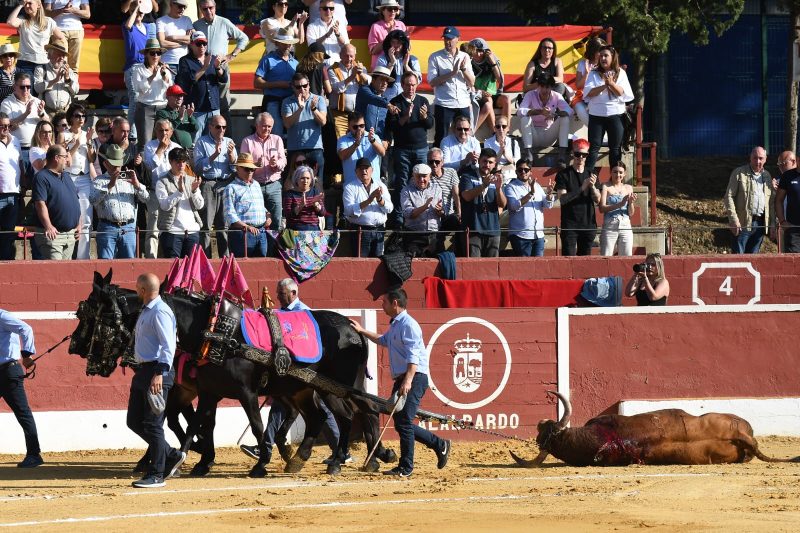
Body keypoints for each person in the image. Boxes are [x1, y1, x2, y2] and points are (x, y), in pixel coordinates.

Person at [349, 288, 451, 478]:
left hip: (414, 377)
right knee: (401, 422)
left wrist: (408, 381)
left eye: (385, 302)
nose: (382, 305)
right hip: (404, 378)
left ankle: (406, 466)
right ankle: (439, 444)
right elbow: (383, 340)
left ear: (395, 303)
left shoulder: (409, 325)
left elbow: (414, 356)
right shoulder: (397, 324)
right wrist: (362, 331)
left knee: (404, 422)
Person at [128, 272, 186, 488]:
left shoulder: (160, 311)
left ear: (143, 290)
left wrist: (160, 373)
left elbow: (169, 345)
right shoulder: (147, 310)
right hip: (143, 371)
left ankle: (157, 474)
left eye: (137, 287)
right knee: (134, 421)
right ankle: (171, 454)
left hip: (156, 371)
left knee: (153, 424)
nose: (135, 290)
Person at [386, 70, 432, 227]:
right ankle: (400, 218)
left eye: (413, 85)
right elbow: (392, 127)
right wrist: (405, 116)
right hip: (402, 149)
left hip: (421, 148)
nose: (411, 88)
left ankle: (421, 215)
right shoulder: (395, 102)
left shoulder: (423, 100)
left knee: (422, 182)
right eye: (408, 85)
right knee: (402, 183)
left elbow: (430, 124)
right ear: (402, 85)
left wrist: (425, 117)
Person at [90, 144, 149, 259]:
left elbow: (146, 198)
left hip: (128, 227)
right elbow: (92, 200)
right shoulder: (99, 181)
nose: (117, 168)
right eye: (114, 165)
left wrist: (137, 185)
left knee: (129, 264)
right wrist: (109, 185)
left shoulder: (130, 180)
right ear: (105, 164)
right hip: (107, 227)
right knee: (105, 264)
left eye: (118, 164)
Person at [0, 309, 43, 468]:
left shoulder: (2, 316)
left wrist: (26, 355)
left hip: (9, 371)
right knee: (23, 413)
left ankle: (34, 455)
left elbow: (26, 328)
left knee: (22, 412)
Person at [193, 0, 249, 120]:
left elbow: (244, 38)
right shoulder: (196, 25)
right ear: (200, 9)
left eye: (210, 8)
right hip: (202, 67)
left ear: (215, 7)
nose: (208, 11)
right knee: (203, 103)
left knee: (223, 104)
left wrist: (232, 55)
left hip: (220, 67)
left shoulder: (224, 22)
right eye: (205, 9)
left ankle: (226, 133)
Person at [583, 44, 634, 174]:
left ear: (613, 57)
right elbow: (589, 93)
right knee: (593, 148)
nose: (603, 58)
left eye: (606, 56)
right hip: (596, 116)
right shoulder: (593, 73)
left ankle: (615, 180)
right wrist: (604, 86)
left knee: (615, 149)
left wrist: (611, 83)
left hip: (616, 115)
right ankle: (586, 179)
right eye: (601, 56)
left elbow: (622, 93)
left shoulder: (620, 73)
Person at [194, 114, 236, 258]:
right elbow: (198, 168)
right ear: (210, 127)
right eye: (218, 127)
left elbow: (235, 168)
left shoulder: (229, 142)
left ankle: (225, 259)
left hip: (225, 184)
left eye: (224, 127)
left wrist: (231, 158)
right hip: (208, 184)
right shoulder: (202, 142)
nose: (221, 130)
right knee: (206, 225)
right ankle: (205, 260)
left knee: (224, 225)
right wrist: (214, 155)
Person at [174, 31, 226, 141]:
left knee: (214, 140)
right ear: (191, 45)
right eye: (198, 44)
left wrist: (218, 67)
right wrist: (204, 67)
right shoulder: (185, 61)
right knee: (195, 141)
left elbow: (223, 79)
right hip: (197, 109)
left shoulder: (212, 58)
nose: (202, 46)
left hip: (213, 108)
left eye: (204, 43)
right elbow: (187, 81)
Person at [428, 26, 474, 148]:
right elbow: (432, 82)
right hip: (444, 103)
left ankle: (464, 157)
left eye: (451, 39)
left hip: (463, 102)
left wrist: (463, 69)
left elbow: (471, 82)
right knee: (441, 136)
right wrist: (452, 73)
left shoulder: (465, 56)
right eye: (445, 39)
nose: (448, 42)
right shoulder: (435, 57)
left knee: (465, 135)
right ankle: (438, 159)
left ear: (458, 39)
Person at [723, 146, 775, 254]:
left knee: (753, 259)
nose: (758, 161)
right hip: (742, 224)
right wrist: (733, 220)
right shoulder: (739, 173)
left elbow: (770, 203)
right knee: (738, 259)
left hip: (760, 224)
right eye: (755, 158)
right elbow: (729, 196)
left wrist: (772, 224)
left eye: (761, 158)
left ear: (765, 159)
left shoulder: (767, 176)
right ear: (750, 158)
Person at [32, 144, 80, 259]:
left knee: (66, 270)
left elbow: (75, 200)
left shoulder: (66, 176)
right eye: (65, 156)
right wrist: (48, 226)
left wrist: (79, 224)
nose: (68, 159)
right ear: (56, 158)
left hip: (70, 234)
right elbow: (40, 204)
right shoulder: (41, 177)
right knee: (56, 269)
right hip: (53, 235)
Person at [240, 112, 286, 231]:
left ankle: (274, 244)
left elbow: (283, 161)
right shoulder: (247, 141)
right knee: (257, 220)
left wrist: (276, 164)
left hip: (274, 184)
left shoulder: (277, 140)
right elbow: (242, 166)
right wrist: (255, 165)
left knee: (276, 220)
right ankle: (259, 242)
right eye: (264, 126)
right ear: (257, 126)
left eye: (269, 126)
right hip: (254, 185)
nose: (267, 129)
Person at [156, 147, 203, 258]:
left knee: (192, 266)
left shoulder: (192, 180)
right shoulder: (162, 181)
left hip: (192, 231)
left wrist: (194, 191)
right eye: (178, 162)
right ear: (170, 162)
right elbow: (164, 206)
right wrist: (179, 191)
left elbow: (200, 205)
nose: (181, 165)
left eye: (183, 161)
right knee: (174, 266)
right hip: (172, 232)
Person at [518, 73, 573, 166]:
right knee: (524, 118)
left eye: (547, 87)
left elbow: (569, 111)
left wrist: (554, 114)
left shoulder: (557, 96)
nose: (544, 90)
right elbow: (520, 111)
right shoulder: (530, 94)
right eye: (542, 86)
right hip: (533, 136)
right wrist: (539, 112)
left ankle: (561, 156)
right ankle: (529, 155)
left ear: (552, 87)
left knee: (565, 118)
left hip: (549, 135)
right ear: (538, 86)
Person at [555, 138, 599, 256]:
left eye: (584, 155)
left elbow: (598, 199)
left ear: (587, 155)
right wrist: (582, 188)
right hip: (570, 225)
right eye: (577, 154)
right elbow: (563, 199)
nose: (581, 157)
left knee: (585, 262)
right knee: (568, 260)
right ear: (572, 154)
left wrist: (592, 187)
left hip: (588, 224)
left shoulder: (592, 173)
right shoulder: (563, 174)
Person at [460, 148, 507, 257]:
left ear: (494, 164)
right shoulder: (468, 176)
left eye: (490, 162)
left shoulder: (496, 179)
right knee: (474, 265)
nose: (487, 165)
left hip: (493, 230)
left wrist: (498, 189)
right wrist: (484, 185)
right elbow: (466, 196)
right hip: (473, 230)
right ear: (479, 160)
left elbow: (502, 204)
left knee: (492, 266)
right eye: (484, 161)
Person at [503, 159, 555, 257]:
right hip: (520, 235)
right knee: (524, 265)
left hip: (538, 235)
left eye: (526, 170)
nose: (523, 172)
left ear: (530, 172)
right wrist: (531, 193)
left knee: (539, 265)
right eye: (520, 170)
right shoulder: (511, 187)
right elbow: (513, 206)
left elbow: (547, 205)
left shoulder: (537, 186)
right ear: (516, 172)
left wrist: (549, 195)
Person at [254, 29, 299, 140]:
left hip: (291, 103)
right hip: (273, 101)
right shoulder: (267, 60)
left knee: (292, 136)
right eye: (284, 43)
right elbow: (257, 83)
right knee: (275, 135)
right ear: (277, 43)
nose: (287, 46)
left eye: (289, 44)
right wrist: (278, 84)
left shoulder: (296, 63)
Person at [6, 0, 64, 86]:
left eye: (30, 3)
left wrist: (51, 50)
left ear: (39, 5)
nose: (27, 6)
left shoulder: (49, 21)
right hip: (25, 63)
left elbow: (61, 37)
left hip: (43, 63)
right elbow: (10, 22)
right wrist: (20, 5)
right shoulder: (23, 20)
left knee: (41, 92)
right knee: (27, 91)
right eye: (25, 4)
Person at [282, 72, 327, 181]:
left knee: (317, 183)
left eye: (305, 85)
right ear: (293, 88)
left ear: (309, 85)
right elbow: (287, 124)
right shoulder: (287, 102)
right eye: (298, 87)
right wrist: (300, 109)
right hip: (295, 149)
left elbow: (323, 121)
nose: (302, 89)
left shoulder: (318, 99)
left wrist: (314, 109)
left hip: (315, 148)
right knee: (295, 182)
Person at [224, 153, 271, 258]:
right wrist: (247, 227)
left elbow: (260, 206)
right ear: (237, 168)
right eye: (246, 169)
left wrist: (268, 215)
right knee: (242, 265)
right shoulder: (230, 188)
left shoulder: (256, 185)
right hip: (242, 233)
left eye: (252, 169)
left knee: (262, 263)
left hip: (261, 231)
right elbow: (229, 215)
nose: (250, 171)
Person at [343, 157, 392, 257]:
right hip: (360, 231)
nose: (364, 171)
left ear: (372, 170)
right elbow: (348, 211)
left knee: (378, 262)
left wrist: (379, 199)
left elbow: (389, 208)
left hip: (379, 230)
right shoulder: (350, 188)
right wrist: (369, 200)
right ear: (356, 172)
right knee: (360, 262)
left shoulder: (381, 185)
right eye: (361, 168)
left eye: (366, 168)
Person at [62, 103, 92, 259]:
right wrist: (77, 144)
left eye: (83, 116)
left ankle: (83, 257)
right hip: (69, 177)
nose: (81, 119)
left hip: (85, 177)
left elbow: (92, 158)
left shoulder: (87, 134)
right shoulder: (64, 135)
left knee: (87, 219)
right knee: (69, 218)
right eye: (77, 116)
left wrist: (90, 144)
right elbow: (64, 161)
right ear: (71, 117)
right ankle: (66, 255)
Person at [130, 38, 172, 150]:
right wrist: (153, 75)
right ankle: (143, 162)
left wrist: (164, 76)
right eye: (152, 53)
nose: (156, 56)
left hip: (163, 108)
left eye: (158, 53)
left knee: (164, 141)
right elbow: (139, 89)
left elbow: (169, 89)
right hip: (145, 108)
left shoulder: (164, 69)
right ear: (146, 54)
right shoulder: (138, 69)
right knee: (145, 143)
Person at [2, 73, 47, 176]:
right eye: (22, 87)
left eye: (28, 87)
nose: (26, 90)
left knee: (37, 181)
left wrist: (41, 114)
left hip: (37, 149)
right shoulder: (7, 103)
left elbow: (48, 123)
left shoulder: (36, 101)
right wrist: (26, 113)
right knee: (21, 182)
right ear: (14, 87)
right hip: (18, 149)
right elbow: (7, 126)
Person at [327, 43, 370, 139]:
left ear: (355, 56)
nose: (349, 59)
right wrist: (352, 76)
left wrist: (361, 74)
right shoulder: (332, 69)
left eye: (351, 56)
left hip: (356, 115)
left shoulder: (361, 68)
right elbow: (337, 89)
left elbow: (368, 83)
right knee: (342, 141)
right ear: (340, 55)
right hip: (340, 115)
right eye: (346, 56)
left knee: (357, 140)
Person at [468, 37, 509, 133]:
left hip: (492, 94)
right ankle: (495, 132)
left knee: (506, 99)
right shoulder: (467, 61)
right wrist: (479, 91)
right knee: (488, 101)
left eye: (481, 51)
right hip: (475, 95)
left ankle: (506, 131)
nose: (478, 54)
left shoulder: (492, 59)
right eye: (475, 50)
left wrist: (493, 62)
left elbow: (500, 80)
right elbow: (465, 84)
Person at [401, 162, 442, 257]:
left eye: (424, 176)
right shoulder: (406, 190)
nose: (421, 179)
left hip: (433, 235)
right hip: (414, 235)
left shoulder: (437, 189)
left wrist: (440, 211)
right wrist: (424, 207)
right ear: (413, 176)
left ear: (430, 176)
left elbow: (442, 212)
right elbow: (408, 213)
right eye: (418, 176)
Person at [122, 2, 148, 142]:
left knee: (144, 99)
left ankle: (140, 131)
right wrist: (136, 7)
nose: (139, 14)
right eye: (136, 12)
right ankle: (132, 134)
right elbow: (128, 25)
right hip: (133, 66)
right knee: (135, 99)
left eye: (141, 12)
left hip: (145, 67)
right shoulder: (127, 25)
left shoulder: (147, 27)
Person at [337, 111, 384, 185]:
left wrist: (372, 141)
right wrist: (356, 144)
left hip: (373, 185)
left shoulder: (373, 136)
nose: (359, 129)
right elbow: (342, 156)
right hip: (352, 186)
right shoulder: (343, 139)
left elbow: (382, 153)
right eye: (355, 127)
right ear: (349, 126)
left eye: (362, 126)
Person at [599, 161, 636, 256]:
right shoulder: (606, 186)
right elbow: (601, 208)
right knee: (606, 256)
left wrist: (631, 202)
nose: (618, 175)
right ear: (611, 172)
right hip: (610, 225)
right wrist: (620, 204)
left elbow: (631, 213)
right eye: (615, 172)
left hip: (625, 225)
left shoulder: (628, 188)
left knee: (627, 257)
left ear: (624, 174)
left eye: (620, 172)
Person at [375, 29, 421, 103]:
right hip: (387, 98)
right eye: (393, 42)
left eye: (399, 42)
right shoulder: (382, 58)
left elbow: (417, 80)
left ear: (403, 43)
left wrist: (406, 65)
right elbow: (380, 79)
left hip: (406, 98)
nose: (396, 45)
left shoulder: (412, 59)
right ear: (389, 43)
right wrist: (392, 62)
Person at [43, 0, 90, 73]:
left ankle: (73, 80)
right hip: (58, 30)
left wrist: (73, 10)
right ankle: (59, 80)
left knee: (74, 64)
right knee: (60, 61)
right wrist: (62, 10)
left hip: (77, 30)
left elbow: (87, 14)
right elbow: (46, 13)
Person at [0, 113, 22, 260]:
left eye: (8, 126)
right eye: (2, 126)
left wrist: (23, 184)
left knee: (9, 234)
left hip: (14, 193)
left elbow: (20, 164)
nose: (6, 128)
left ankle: (6, 265)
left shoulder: (16, 141)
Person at [355, 65, 393, 143]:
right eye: (382, 79)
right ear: (373, 80)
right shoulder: (364, 90)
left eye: (386, 81)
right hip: (361, 140)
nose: (385, 83)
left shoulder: (385, 101)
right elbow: (372, 98)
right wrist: (388, 105)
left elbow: (387, 125)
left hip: (379, 142)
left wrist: (387, 141)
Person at [305, 0, 349, 67]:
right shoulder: (312, 26)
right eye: (325, 8)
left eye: (331, 8)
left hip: (337, 66)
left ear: (334, 10)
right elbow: (312, 46)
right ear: (320, 9)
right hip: (319, 66)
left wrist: (338, 34)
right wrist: (327, 35)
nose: (328, 11)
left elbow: (346, 45)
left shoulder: (341, 26)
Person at [155, 84, 198, 150]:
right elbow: (166, 131)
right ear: (168, 97)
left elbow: (195, 129)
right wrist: (179, 118)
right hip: (172, 150)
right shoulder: (162, 113)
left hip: (188, 150)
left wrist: (190, 116)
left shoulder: (184, 112)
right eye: (176, 95)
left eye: (181, 95)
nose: (180, 98)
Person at [155, 0, 192, 74]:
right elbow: (162, 43)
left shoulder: (187, 19)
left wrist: (173, 37)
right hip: (168, 63)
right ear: (171, 4)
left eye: (184, 7)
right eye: (180, 6)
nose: (182, 9)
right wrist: (183, 43)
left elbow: (191, 39)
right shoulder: (161, 21)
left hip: (184, 63)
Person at [284, 165, 324, 230]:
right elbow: (287, 216)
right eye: (302, 178)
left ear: (311, 180)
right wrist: (299, 207)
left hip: (313, 230)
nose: (305, 181)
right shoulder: (290, 194)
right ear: (296, 179)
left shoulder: (315, 192)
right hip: (295, 230)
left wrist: (316, 204)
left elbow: (322, 213)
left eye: (308, 178)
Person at [368, 1, 406, 69]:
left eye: (395, 9)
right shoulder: (376, 26)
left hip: (398, 66)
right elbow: (373, 51)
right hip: (380, 67)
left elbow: (407, 47)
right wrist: (388, 37)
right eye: (390, 9)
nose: (393, 11)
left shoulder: (401, 25)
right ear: (383, 11)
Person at [483, 115, 519, 184]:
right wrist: (500, 151)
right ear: (495, 128)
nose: (501, 129)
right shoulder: (488, 142)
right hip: (495, 175)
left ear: (508, 128)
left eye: (504, 126)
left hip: (512, 176)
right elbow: (489, 162)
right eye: (498, 126)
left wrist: (505, 154)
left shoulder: (514, 143)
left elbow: (517, 163)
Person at [776, 150, 800, 252]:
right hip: (793, 230)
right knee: (793, 259)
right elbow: (778, 200)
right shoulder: (787, 176)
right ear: (797, 159)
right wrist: (782, 221)